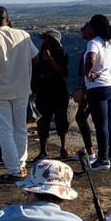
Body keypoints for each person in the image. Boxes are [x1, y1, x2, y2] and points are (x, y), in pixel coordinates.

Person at [0, 6, 39, 182]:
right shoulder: (23, 35)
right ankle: (21, 165)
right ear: (8, 19)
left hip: (0, 90)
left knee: (4, 131)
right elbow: (35, 58)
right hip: (22, 88)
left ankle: (13, 170)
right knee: (20, 128)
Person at [84, 15, 111, 170]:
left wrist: (88, 72)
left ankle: (102, 159)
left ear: (94, 27)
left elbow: (91, 58)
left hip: (98, 87)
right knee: (110, 123)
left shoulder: (93, 42)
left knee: (100, 124)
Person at [32, 29, 70, 161]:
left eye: (45, 38)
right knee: (42, 120)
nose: (43, 41)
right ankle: (43, 150)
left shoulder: (61, 53)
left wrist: (50, 60)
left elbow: (63, 72)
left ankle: (63, 148)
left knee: (61, 118)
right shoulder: (40, 54)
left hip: (57, 87)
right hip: (43, 88)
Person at [75, 22, 96, 162]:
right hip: (92, 87)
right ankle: (95, 152)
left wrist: (84, 88)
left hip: (91, 88)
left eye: (85, 29)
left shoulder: (92, 47)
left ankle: (92, 152)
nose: (82, 31)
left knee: (82, 117)